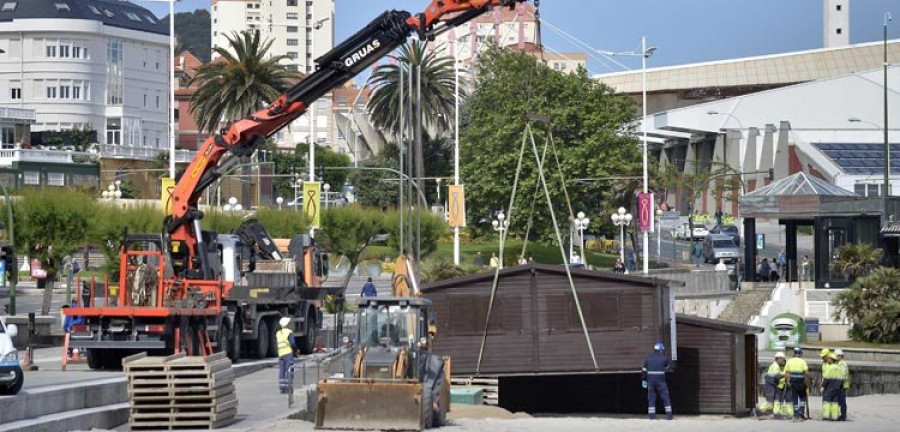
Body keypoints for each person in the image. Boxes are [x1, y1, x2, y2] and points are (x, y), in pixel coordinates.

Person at [642, 342, 673, 420]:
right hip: (661, 381)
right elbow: (666, 367)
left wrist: (644, 380)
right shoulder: (664, 358)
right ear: (660, 350)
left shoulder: (648, 358)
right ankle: (669, 416)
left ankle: (652, 417)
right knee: (665, 397)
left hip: (650, 381)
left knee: (651, 398)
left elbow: (644, 370)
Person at [757, 352, 789, 419]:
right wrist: (784, 375)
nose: (783, 361)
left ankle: (776, 414)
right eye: (783, 359)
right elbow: (776, 375)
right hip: (770, 386)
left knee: (777, 399)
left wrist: (784, 374)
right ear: (779, 358)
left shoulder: (776, 366)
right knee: (769, 402)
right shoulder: (775, 366)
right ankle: (759, 411)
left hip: (773, 385)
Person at [784, 346, 811, 421]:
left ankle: (795, 414)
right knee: (803, 396)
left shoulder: (789, 361)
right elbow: (806, 373)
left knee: (794, 398)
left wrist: (787, 381)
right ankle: (801, 410)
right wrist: (810, 379)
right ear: (801, 353)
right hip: (801, 382)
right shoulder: (803, 361)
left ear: (794, 353)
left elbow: (786, 373)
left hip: (793, 382)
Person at [275, 316, 299, 394]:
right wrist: (296, 351)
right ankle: (289, 387)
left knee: (282, 371)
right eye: (289, 323)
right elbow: (292, 343)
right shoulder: (289, 332)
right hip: (288, 353)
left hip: (281, 354)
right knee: (289, 370)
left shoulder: (278, 333)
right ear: (287, 324)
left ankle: (282, 388)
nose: (290, 324)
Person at [821, 353, 844, 421]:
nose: (827, 360)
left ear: (832, 360)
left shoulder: (830, 368)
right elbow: (842, 379)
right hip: (837, 388)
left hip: (829, 387)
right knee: (835, 403)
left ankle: (826, 416)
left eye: (829, 358)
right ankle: (834, 417)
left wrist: (822, 386)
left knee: (826, 402)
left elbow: (826, 379)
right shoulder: (839, 368)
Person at [835, 349, 850, 421]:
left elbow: (842, 376)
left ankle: (843, 416)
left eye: (838, 355)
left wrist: (837, 384)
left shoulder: (842, 364)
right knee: (839, 401)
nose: (837, 357)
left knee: (842, 402)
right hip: (840, 385)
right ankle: (840, 415)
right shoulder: (838, 363)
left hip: (841, 385)